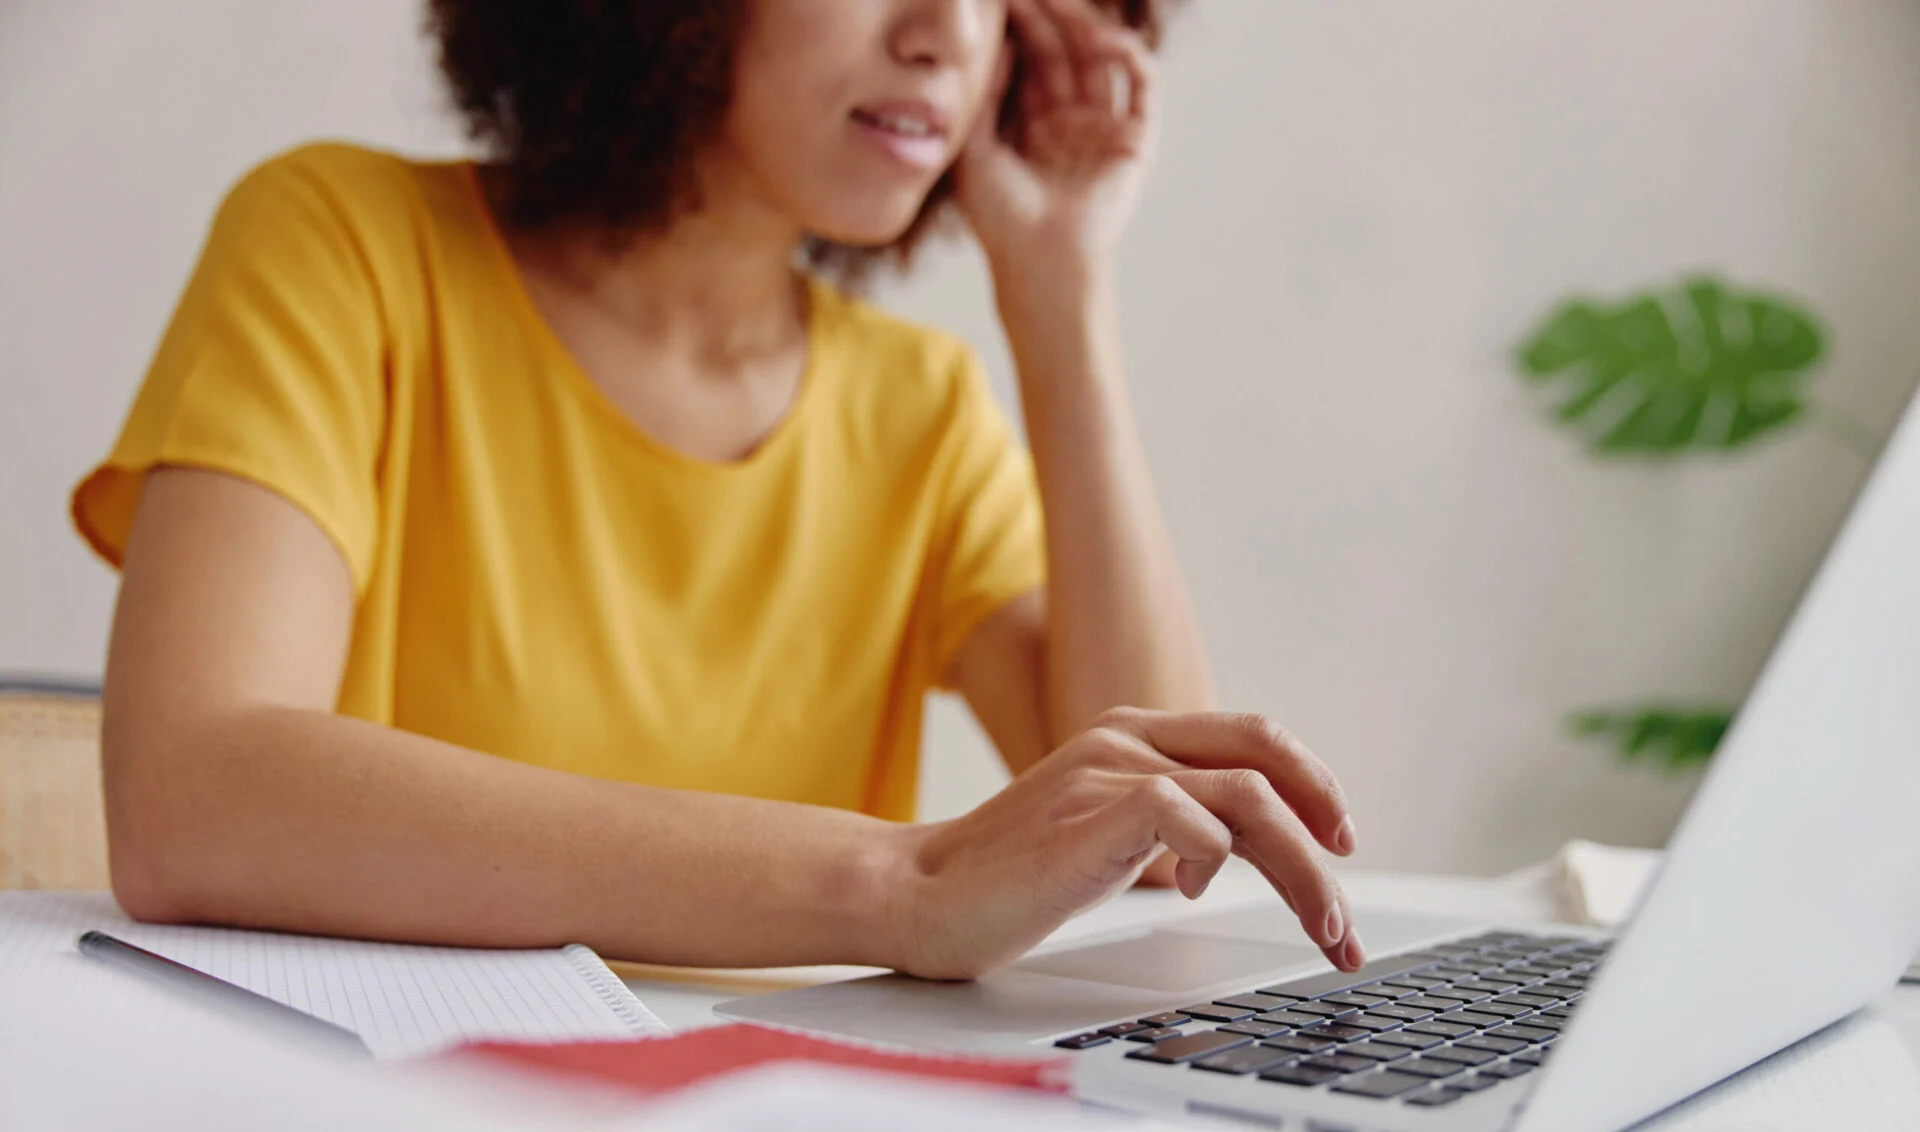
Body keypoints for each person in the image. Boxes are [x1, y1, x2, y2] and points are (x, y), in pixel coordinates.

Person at [72, 0, 1365, 981]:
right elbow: (195, 798)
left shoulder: (918, 410)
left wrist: (1060, 291)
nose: (943, 40)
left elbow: (1161, 838)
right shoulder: (343, 242)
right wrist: (900, 881)